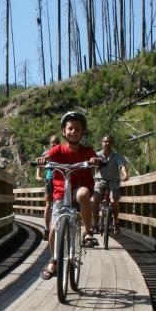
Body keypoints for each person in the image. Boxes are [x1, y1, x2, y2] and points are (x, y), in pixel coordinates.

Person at [39, 110, 98, 280]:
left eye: (77, 129)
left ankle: (87, 232)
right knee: (53, 230)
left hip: (80, 189)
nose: (73, 132)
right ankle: (54, 260)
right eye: (70, 128)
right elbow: (47, 156)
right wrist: (43, 160)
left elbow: (95, 159)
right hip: (60, 194)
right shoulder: (58, 150)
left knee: (83, 193)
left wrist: (96, 161)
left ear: (82, 133)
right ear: (64, 131)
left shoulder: (88, 151)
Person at [92, 134, 129, 234]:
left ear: (112, 144)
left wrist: (125, 174)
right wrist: (95, 163)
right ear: (102, 143)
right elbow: (92, 165)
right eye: (105, 141)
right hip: (100, 180)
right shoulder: (97, 155)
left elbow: (122, 165)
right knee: (95, 201)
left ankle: (115, 222)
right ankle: (95, 224)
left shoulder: (116, 156)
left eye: (109, 142)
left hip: (113, 181)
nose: (107, 143)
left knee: (114, 201)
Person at [35, 133, 61, 240]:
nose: (54, 144)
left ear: (59, 143)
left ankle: (60, 226)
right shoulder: (46, 154)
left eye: (56, 142)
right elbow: (39, 166)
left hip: (60, 180)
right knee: (48, 204)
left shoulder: (62, 152)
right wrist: (38, 176)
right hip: (49, 180)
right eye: (52, 142)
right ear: (50, 143)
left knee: (61, 203)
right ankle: (46, 228)